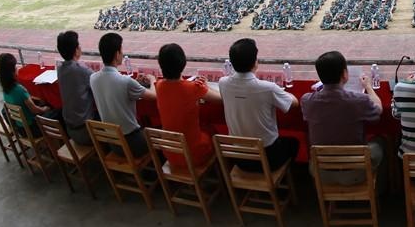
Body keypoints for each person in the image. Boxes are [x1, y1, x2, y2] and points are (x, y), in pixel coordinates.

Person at [301, 50, 384, 184]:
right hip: (356, 172)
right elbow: (378, 111)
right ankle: (382, 189)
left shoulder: (307, 100)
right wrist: (369, 87)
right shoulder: (359, 100)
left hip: (320, 172)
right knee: (381, 141)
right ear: (345, 75)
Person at [218, 38, 299, 172]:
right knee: (293, 143)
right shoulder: (267, 88)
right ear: (255, 62)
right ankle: (282, 183)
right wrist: (278, 91)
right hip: (267, 158)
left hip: (239, 158)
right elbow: (294, 103)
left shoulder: (223, 83)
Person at [154, 43, 221, 168]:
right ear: (183, 62)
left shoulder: (158, 85)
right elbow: (220, 99)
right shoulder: (193, 88)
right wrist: (204, 87)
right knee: (212, 132)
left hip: (170, 153)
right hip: (192, 155)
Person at [89, 33, 156, 157]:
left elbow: (114, 88)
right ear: (117, 54)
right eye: (121, 49)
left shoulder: (93, 78)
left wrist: (135, 82)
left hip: (113, 143)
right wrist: (153, 80)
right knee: (158, 137)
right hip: (132, 143)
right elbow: (153, 96)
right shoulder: (125, 81)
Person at [56, 30, 97, 145]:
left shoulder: (60, 69)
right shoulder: (80, 70)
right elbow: (98, 83)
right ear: (76, 49)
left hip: (69, 129)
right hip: (86, 131)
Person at [0, 53, 52, 136]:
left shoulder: (5, 88)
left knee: (40, 103)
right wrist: (45, 108)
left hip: (20, 128)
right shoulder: (19, 89)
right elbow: (35, 110)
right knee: (55, 111)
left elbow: (23, 100)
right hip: (32, 129)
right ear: (12, 70)